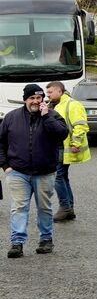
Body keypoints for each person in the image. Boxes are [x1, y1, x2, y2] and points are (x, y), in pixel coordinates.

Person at [3, 84, 70, 258]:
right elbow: (0, 143)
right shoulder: (11, 118)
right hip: (17, 172)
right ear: (25, 99)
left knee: (44, 208)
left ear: (43, 99)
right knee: (18, 208)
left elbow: (62, 134)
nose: (35, 101)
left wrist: (46, 116)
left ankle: (46, 240)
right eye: (32, 98)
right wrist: (5, 166)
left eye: (39, 98)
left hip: (44, 172)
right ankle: (17, 243)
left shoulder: (53, 116)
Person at [46, 81, 90, 222]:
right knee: (62, 177)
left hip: (64, 147)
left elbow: (81, 126)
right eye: (47, 92)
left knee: (58, 177)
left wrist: (75, 143)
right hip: (56, 146)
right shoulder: (54, 104)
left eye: (51, 92)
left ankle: (65, 208)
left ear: (60, 91)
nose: (48, 95)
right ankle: (68, 208)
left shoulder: (72, 104)